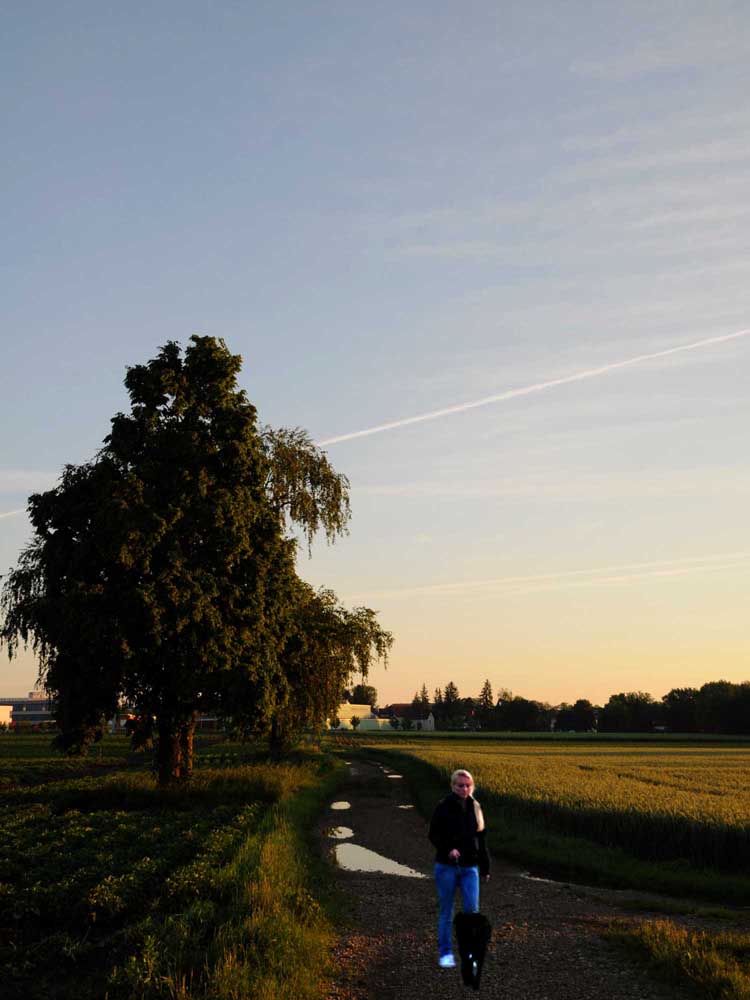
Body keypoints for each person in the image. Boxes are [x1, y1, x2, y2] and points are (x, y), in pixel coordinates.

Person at [428, 768, 490, 968]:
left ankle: (470, 954)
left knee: (472, 913)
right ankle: (445, 953)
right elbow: (433, 835)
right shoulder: (443, 807)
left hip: (470, 868)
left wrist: (485, 867)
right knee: (446, 912)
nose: (464, 788)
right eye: (460, 785)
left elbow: (481, 839)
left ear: (472, 786)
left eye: (467, 785)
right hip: (446, 867)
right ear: (453, 786)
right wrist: (448, 850)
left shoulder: (476, 807)